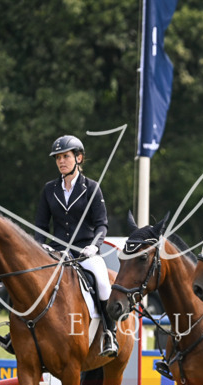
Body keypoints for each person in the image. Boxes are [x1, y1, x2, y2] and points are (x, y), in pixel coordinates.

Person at [33, 135, 118, 356]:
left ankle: (110, 334)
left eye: (66, 156)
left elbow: (102, 224)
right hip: (57, 251)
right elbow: (41, 225)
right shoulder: (49, 189)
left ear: (78, 158)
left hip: (84, 250)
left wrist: (94, 245)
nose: (61, 161)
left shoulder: (91, 188)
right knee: (30, 279)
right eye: (58, 158)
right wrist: (38, 247)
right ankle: (19, 332)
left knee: (102, 280)